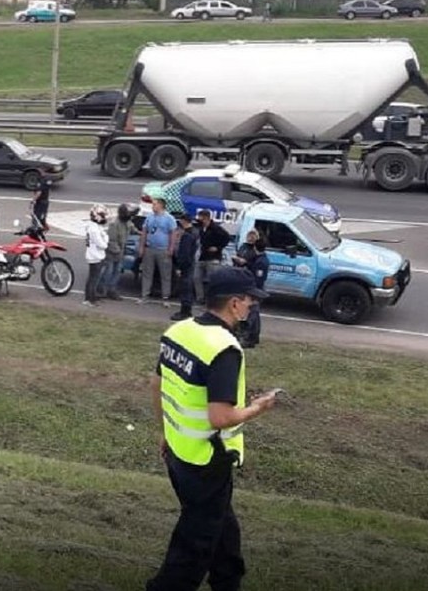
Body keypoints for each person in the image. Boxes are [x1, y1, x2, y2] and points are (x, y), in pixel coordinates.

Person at [147, 267, 278, 591]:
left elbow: (157, 383)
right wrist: (256, 409)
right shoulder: (224, 348)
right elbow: (220, 418)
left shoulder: (179, 330)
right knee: (193, 546)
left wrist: (163, 430)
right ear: (234, 303)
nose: (252, 306)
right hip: (207, 460)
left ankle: (228, 580)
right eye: (249, 300)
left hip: (177, 452)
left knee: (222, 528)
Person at [138, 198, 178, 306]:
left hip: (163, 249)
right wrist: (142, 247)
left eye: (155, 204)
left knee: (165, 275)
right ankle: (145, 296)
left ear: (161, 205)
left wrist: (171, 248)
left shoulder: (169, 218)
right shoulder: (149, 217)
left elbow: (173, 234)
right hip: (150, 248)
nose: (152, 206)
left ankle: (165, 298)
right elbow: (145, 232)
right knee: (147, 273)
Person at [98, 203, 134, 301]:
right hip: (112, 252)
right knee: (109, 271)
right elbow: (111, 241)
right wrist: (118, 251)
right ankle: (101, 290)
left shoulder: (127, 222)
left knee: (117, 271)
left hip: (120, 251)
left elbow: (132, 227)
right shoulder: (114, 224)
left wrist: (140, 232)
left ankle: (111, 290)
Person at [195, 209, 231, 304]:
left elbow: (227, 237)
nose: (199, 220)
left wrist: (218, 248)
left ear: (206, 218)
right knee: (196, 277)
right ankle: (200, 298)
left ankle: (212, 299)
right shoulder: (202, 228)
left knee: (212, 279)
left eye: (200, 218)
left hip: (213, 258)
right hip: (203, 256)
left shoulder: (216, 228)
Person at [170, 213, 200, 321]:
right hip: (191, 264)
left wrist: (180, 267)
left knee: (185, 288)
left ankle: (185, 312)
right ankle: (186, 310)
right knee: (188, 288)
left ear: (184, 221)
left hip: (186, 265)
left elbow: (184, 253)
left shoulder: (187, 235)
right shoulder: (195, 232)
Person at [242, 237, 269, 348]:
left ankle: (248, 337)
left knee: (252, 313)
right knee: (255, 315)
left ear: (255, 247)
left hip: (255, 290)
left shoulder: (261, 262)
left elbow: (258, 278)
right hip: (256, 289)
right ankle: (254, 337)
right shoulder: (259, 259)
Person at [83, 204, 109, 307]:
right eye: (103, 215)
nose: (105, 218)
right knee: (93, 279)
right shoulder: (94, 229)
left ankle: (91, 297)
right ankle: (89, 299)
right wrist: (105, 240)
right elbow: (102, 244)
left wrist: (104, 237)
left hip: (95, 255)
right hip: (95, 256)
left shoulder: (95, 227)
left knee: (93, 278)